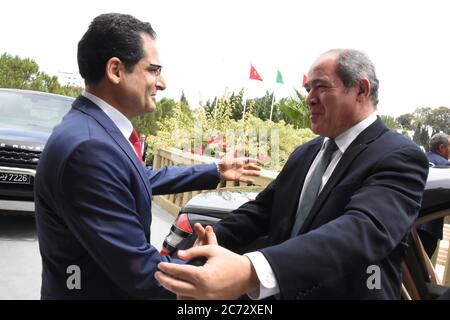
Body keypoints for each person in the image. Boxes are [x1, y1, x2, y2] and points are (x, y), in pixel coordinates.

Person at [155, 49, 429, 300]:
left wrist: (251, 271)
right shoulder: (306, 153)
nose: (309, 99)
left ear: (360, 89)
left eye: (321, 87)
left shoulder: (398, 155)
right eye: (309, 88)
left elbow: (362, 231)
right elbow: (261, 211)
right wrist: (201, 246)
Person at [34, 13, 260, 299]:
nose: (162, 83)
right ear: (116, 70)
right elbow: (141, 274)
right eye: (153, 70)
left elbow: (140, 177)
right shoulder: (90, 149)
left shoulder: (91, 131)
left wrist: (215, 169)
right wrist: (208, 268)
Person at [417, 133, 450, 257]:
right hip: (429, 226)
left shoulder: (419, 159)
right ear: (441, 148)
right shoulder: (445, 167)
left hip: (409, 222)